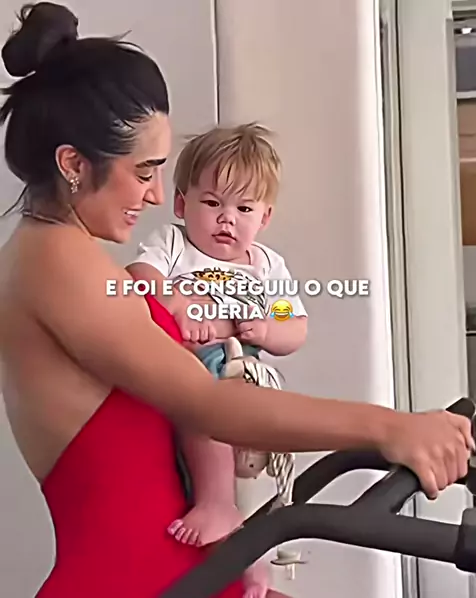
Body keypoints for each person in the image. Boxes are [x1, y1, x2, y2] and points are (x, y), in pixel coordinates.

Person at [0, 3, 474, 598]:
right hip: (135, 582)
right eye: (144, 172)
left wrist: (270, 329)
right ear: (73, 164)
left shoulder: (63, 255)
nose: (155, 195)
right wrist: (389, 426)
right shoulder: (59, 263)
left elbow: (286, 322)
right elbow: (207, 403)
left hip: (187, 570)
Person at [127, 123, 308, 597]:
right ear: (181, 204)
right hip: (191, 371)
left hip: (246, 373)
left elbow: (295, 325)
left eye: (243, 208)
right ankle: (219, 514)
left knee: (252, 487)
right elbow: (139, 276)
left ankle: (251, 558)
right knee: (203, 413)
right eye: (212, 203)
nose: (227, 219)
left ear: (264, 217)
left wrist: (266, 329)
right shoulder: (174, 245)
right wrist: (178, 304)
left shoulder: (267, 267)